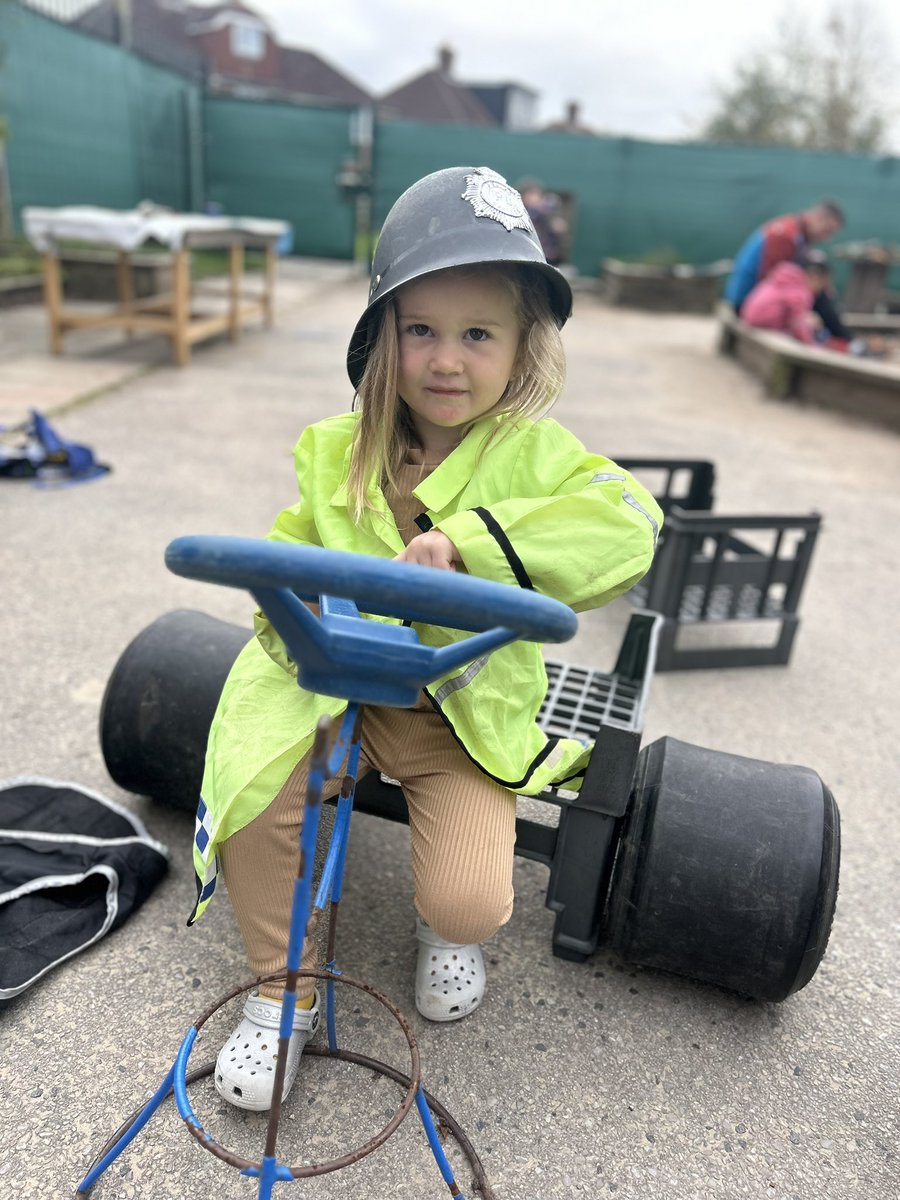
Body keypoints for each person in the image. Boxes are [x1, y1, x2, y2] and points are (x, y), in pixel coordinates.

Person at [195, 165, 663, 1112]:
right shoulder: (338, 448)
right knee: (255, 794)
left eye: (478, 334)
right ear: (384, 340)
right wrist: (296, 632)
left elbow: (628, 526)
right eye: (422, 332)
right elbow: (285, 561)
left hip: (459, 709)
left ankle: (441, 933)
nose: (448, 360)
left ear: (524, 346)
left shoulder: (542, 455)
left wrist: (474, 546)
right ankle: (279, 997)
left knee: (469, 905)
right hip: (337, 687)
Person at [724, 199, 846, 314]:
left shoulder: (799, 235)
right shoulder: (786, 235)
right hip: (746, 303)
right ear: (818, 218)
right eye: (828, 230)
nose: (827, 238)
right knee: (815, 300)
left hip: (757, 299)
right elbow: (772, 282)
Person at [741, 254, 832, 344]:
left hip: (748, 317)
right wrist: (810, 343)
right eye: (822, 285)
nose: (821, 290)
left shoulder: (785, 278)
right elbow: (797, 324)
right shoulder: (802, 292)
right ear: (816, 278)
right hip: (763, 324)